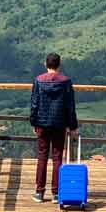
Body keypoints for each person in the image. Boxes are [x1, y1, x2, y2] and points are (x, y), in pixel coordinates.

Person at [30, 53, 79, 203]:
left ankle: (39, 192)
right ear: (59, 64)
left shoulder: (38, 80)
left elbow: (34, 103)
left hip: (42, 124)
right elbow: (70, 106)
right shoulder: (66, 82)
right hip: (59, 123)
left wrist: (34, 122)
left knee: (42, 156)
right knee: (57, 158)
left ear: (46, 64)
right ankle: (56, 193)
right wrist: (73, 126)